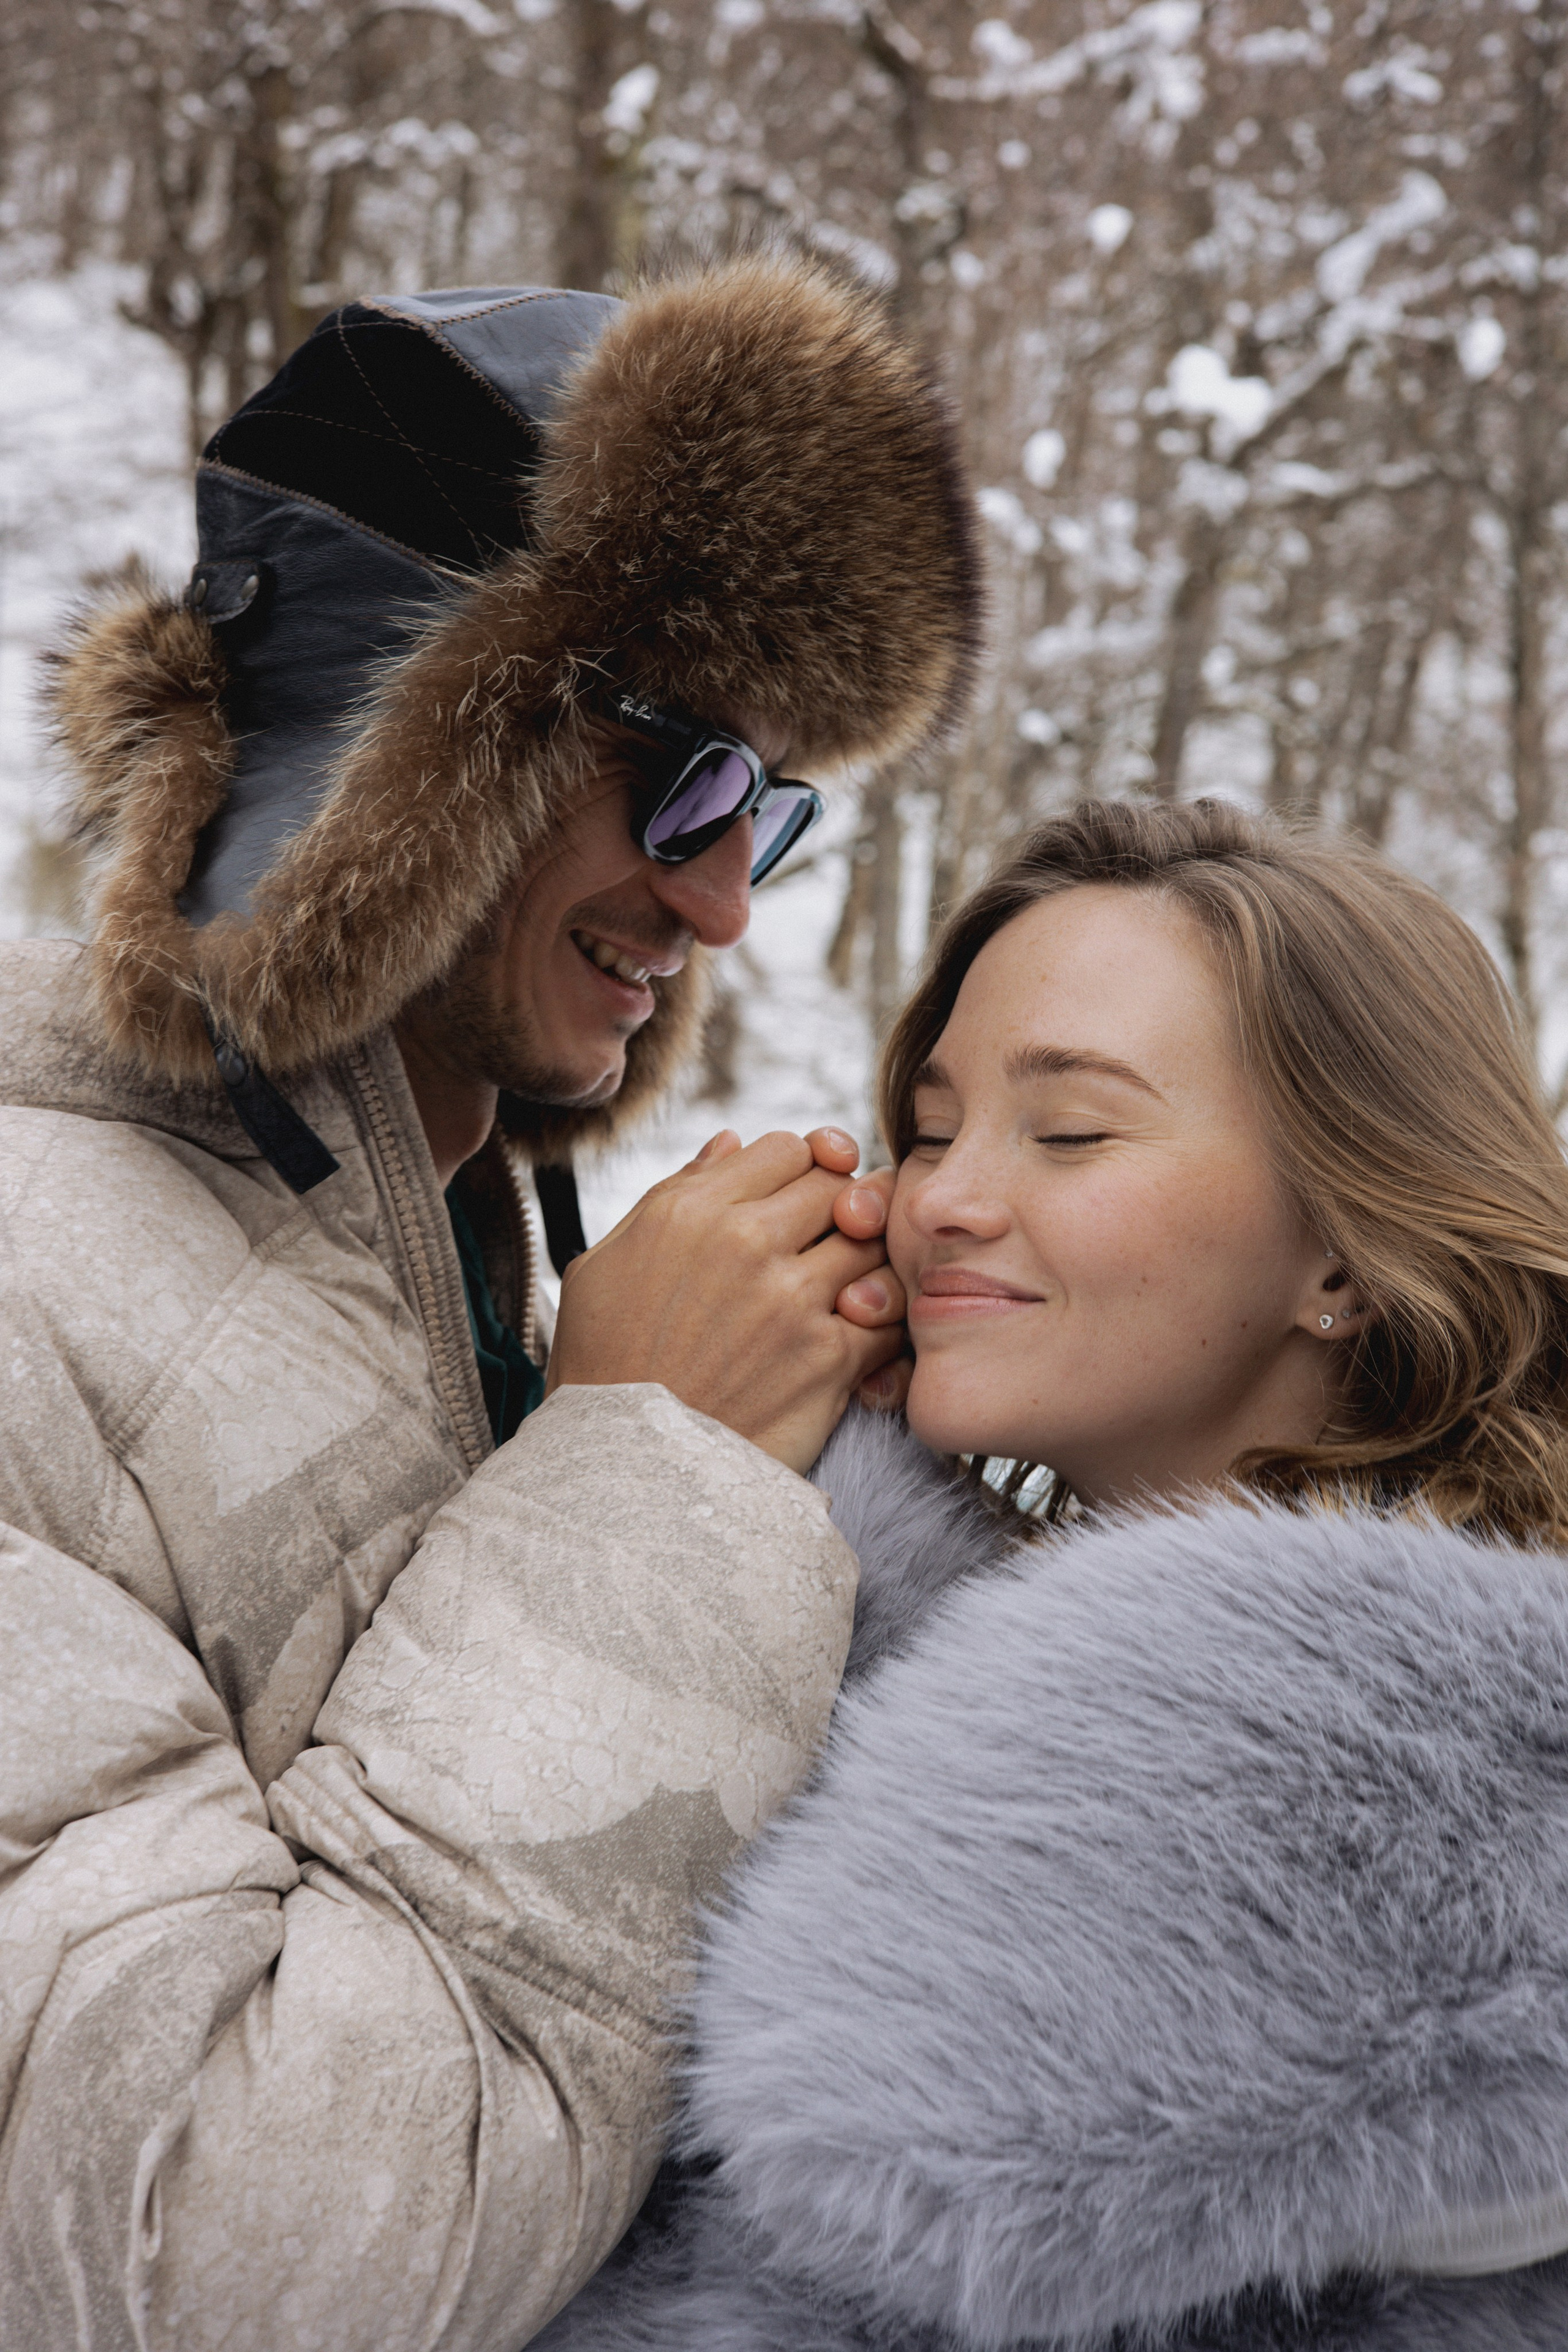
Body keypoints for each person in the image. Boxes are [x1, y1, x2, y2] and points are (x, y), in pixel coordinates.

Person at [0, 252, 980, 2347]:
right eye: (683, 775)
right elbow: (214, 2252)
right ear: (420, 746)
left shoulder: (460, 1247)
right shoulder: (22, 1292)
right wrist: (657, 1473)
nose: (720, 898)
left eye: (768, 810)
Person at [540, 796, 1568, 2352]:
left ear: (1343, 1252)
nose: (937, 1201)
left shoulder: (1465, 1811)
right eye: (929, 1128)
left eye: (1070, 1132)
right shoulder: (862, 1652)